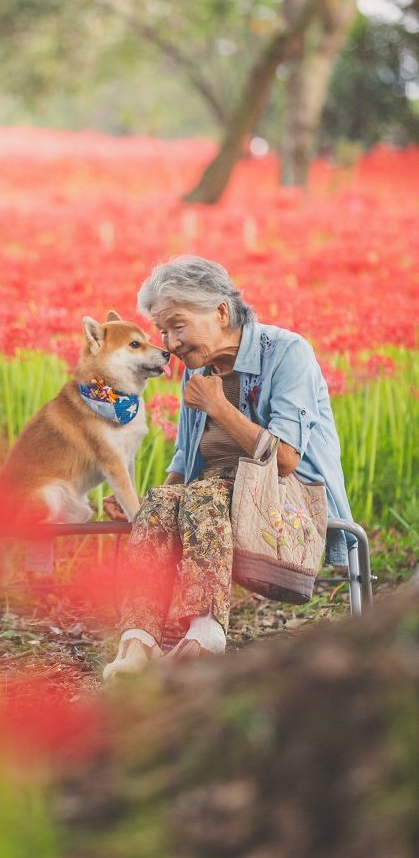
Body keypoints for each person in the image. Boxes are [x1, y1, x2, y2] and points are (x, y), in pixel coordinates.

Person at [102, 255, 357, 680]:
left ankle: (205, 639)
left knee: (202, 494)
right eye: (162, 331)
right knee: (161, 500)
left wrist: (218, 406)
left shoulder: (288, 353)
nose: (170, 343)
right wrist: (148, 507)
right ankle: (137, 642)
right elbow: (185, 459)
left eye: (178, 326)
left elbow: (286, 458)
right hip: (211, 500)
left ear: (221, 312)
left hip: (283, 497)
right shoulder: (197, 373)